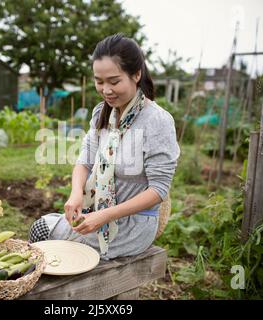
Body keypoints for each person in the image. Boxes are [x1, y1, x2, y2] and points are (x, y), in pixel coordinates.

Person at [28, 34, 180, 260]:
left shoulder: (157, 120)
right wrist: (76, 194)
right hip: (97, 212)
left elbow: (158, 190)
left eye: (114, 81)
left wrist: (104, 216)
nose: (106, 89)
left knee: (51, 250)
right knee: (39, 230)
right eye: (99, 81)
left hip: (132, 225)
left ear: (136, 74)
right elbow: (84, 161)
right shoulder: (102, 112)